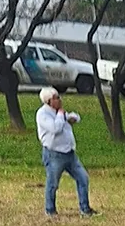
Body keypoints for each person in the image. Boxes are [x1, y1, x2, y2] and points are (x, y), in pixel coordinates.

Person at [36, 87, 98, 218]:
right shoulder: (43, 114)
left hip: (69, 153)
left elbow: (74, 117)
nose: (60, 100)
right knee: (53, 183)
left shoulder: (60, 112)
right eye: (56, 98)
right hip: (54, 154)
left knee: (83, 178)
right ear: (48, 101)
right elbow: (55, 128)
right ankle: (50, 210)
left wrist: (72, 118)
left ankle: (85, 209)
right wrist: (60, 115)